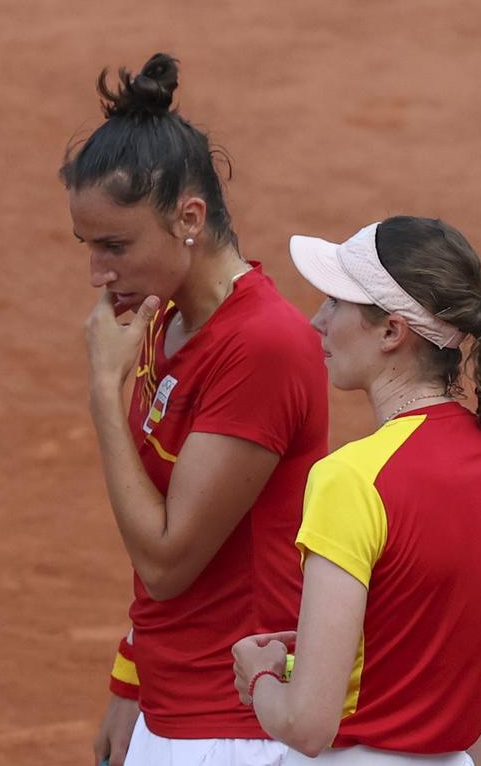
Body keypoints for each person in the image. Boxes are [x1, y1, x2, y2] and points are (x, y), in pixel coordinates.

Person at [70, 55, 328, 766]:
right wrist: (132, 678)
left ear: (189, 217)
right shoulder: (164, 320)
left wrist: (102, 392)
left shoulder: (262, 348)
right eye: (88, 248)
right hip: (174, 704)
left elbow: (166, 561)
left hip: (234, 727)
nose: (98, 276)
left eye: (115, 247)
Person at [231, 217, 481, 766]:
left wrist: (259, 678)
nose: (317, 320)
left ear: (392, 331)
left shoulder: (350, 479)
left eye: (335, 302)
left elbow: (306, 724)